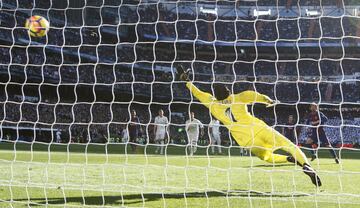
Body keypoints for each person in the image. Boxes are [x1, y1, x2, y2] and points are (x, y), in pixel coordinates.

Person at [177, 66, 322, 187]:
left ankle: (288, 160)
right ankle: (305, 164)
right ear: (228, 91)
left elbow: (198, 93)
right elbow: (255, 95)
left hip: (245, 139)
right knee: (289, 145)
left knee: (266, 157)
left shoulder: (212, 104)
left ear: (216, 96)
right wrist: (268, 101)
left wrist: (187, 81)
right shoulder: (238, 97)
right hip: (258, 128)